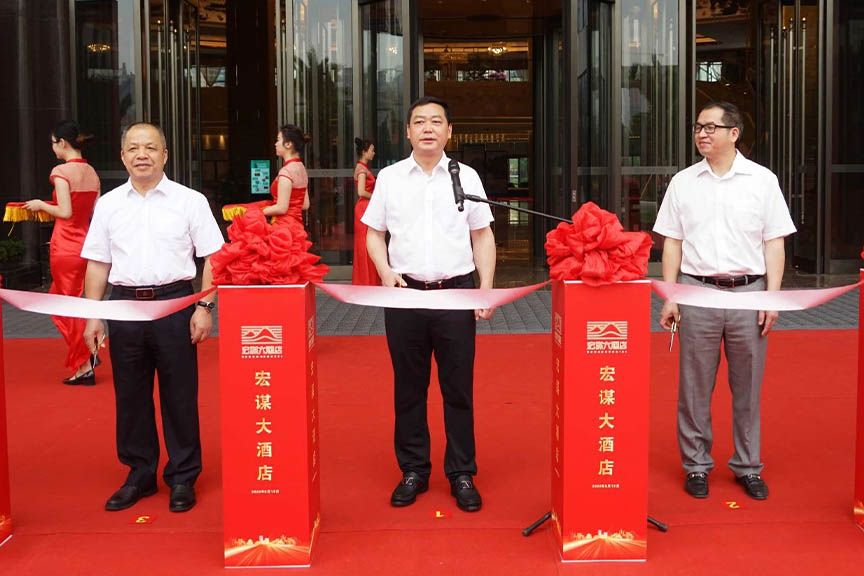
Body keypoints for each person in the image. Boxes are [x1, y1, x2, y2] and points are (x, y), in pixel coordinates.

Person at [654, 101, 796, 501]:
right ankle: (696, 465)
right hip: (696, 292)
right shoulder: (683, 182)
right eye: (698, 127)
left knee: (747, 387)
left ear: (734, 133)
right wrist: (671, 295)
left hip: (749, 293)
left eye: (710, 127)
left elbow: (774, 242)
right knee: (694, 387)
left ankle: (748, 466)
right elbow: (672, 243)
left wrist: (772, 297)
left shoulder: (762, 181)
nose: (702, 134)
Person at [81, 122, 224, 513]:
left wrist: (204, 307)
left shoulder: (190, 201)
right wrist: (93, 316)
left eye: (149, 147)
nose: (141, 154)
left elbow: (214, 257)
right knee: (130, 395)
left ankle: (183, 476)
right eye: (133, 148)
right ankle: (139, 473)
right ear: (123, 156)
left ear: (165, 155)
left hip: (175, 303)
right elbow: (97, 263)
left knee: (180, 395)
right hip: (124, 306)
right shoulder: (108, 204)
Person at [362, 96, 496, 512]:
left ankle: (462, 473)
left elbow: (482, 235)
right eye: (419, 121)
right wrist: (385, 271)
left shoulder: (466, 176)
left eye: (436, 121)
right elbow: (374, 233)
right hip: (404, 295)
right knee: (409, 389)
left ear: (449, 131)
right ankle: (414, 470)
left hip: (456, 294)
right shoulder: (389, 178)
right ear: (407, 131)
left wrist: (485, 288)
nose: (427, 128)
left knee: (458, 389)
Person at [23, 121, 101, 385]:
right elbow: (92, 212)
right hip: (86, 242)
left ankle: (84, 364)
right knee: (71, 302)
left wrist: (41, 205)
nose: (53, 148)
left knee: (66, 305)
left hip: (66, 244)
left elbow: (65, 211)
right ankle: (88, 351)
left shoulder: (60, 171)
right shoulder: (91, 172)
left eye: (53, 143)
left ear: (63, 143)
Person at [262, 124, 309, 225]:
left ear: (288, 144)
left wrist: (258, 212)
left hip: (283, 225)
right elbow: (305, 204)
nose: (276, 144)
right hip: (297, 225)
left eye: (278, 140)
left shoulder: (286, 171)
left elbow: (282, 208)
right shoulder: (302, 168)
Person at [351, 137, 380, 286]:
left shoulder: (363, 168)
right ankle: (366, 280)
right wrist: (377, 197)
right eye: (371, 150)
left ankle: (368, 280)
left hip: (366, 206)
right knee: (365, 244)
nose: (373, 153)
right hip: (364, 207)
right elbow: (361, 192)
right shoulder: (362, 169)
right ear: (364, 152)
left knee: (367, 243)